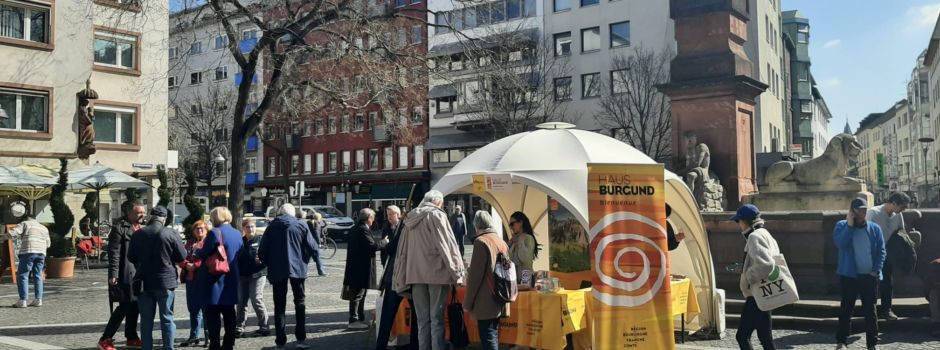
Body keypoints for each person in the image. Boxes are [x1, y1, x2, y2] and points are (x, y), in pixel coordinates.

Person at [393, 190, 466, 350]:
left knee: (422, 320)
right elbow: (446, 245)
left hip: (415, 274)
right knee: (436, 318)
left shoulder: (410, 218)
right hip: (437, 273)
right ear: (438, 202)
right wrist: (457, 272)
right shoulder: (437, 215)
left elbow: (402, 251)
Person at [259, 203, 318, 349]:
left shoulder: (271, 227)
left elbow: (262, 251)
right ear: (293, 214)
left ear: (280, 213)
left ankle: (280, 341)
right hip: (297, 269)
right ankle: (300, 338)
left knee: (279, 305)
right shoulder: (301, 225)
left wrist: (270, 264)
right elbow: (313, 247)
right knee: (300, 302)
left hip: (277, 270)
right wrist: (305, 260)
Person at [128, 206, 186, 350]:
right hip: (165, 282)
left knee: (146, 321)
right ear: (164, 219)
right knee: (167, 318)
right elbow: (182, 256)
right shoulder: (171, 233)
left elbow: (131, 257)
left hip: (144, 282)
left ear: (151, 216)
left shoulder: (138, 234)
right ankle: (168, 347)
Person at [834, 198, 886, 350]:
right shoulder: (841, 226)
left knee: (870, 311)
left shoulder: (875, 228)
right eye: (858, 209)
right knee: (846, 310)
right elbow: (841, 244)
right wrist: (849, 226)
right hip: (849, 276)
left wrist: (876, 270)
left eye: (864, 209)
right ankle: (841, 341)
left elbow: (881, 251)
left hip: (869, 277)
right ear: (852, 211)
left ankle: (872, 344)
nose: (862, 212)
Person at [97, 203, 145, 350]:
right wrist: (113, 274)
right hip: (126, 272)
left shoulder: (143, 228)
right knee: (124, 306)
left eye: (143, 212)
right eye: (138, 213)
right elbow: (114, 253)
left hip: (140, 273)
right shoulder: (119, 228)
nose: (142, 215)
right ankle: (105, 339)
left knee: (135, 305)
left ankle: (131, 336)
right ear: (129, 213)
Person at [731, 204, 778, 350]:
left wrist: (747, 276)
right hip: (766, 290)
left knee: (742, 336)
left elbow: (766, 264)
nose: (738, 225)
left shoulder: (754, 236)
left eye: (738, 221)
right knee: (765, 338)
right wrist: (745, 267)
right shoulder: (765, 233)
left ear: (744, 221)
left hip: (756, 293)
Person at [196, 207, 244, 350]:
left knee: (213, 315)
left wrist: (197, 249)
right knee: (230, 313)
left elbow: (203, 253)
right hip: (231, 278)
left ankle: (215, 345)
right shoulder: (237, 233)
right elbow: (241, 254)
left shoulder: (215, 233)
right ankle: (229, 344)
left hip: (215, 279)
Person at [464, 211, 510, 350]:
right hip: (501, 294)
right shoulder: (500, 241)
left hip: (486, 297)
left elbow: (475, 277)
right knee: (493, 333)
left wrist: (467, 303)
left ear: (476, 225)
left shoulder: (481, 242)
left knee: (488, 335)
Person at [375, 205, 418, 350]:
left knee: (389, 314)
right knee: (415, 315)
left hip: (398, 275)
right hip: (410, 276)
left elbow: (390, 249)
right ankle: (414, 344)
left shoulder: (403, 230)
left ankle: (382, 345)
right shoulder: (414, 230)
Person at [865, 191, 909, 321]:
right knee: (870, 284)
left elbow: (901, 232)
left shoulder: (898, 215)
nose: (904, 210)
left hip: (887, 253)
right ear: (893, 203)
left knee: (887, 282)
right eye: (902, 206)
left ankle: (886, 310)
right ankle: (870, 312)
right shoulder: (873, 212)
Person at [344, 208, 387, 329]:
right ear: (369, 218)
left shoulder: (356, 228)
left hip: (356, 266)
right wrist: (384, 242)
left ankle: (359, 318)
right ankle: (354, 320)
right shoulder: (362, 229)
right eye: (373, 218)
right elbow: (372, 247)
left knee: (360, 294)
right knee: (357, 294)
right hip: (360, 267)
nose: (373, 220)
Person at [1, 208, 51, 309]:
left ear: (26, 218)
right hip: (41, 253)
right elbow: (48, 244)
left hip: (28, 251)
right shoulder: (44, 228)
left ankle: (23, 300)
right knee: (38, 275)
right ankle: (38, 299)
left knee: (23, 275)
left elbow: (12, 233)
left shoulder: (25, 223)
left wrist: (2, 238)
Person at [235, 219, 270, 338]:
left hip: (258, 274)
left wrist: (263, 260)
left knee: (256, 299)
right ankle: (239, 326)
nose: (251, 229)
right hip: (242, 275)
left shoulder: (260, 240)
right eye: (248, 227)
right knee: (241, 301)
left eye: (252, 227)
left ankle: (264, 326)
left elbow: (268, 255)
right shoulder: (239, 242)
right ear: (243, 229)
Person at [179, 220, 209, 347]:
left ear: (206, 230)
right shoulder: (189, 243)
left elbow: (209, 259)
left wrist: (195, 265)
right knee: (193, 309)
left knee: (206, 310)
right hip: (190, 281)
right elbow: (180, 257)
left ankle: (209, 336)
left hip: (204, 281)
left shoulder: (208, 243)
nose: (199, 230)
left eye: (202, 228)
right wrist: (186, 265)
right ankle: (194, 335)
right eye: (197, 228)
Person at [306, 213, 327, 277]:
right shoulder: (317, 224)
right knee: (318, 257)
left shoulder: (308, 223)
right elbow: (317, 234)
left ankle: (304, 272)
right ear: (319, 218)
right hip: (314, 244)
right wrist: (319, 243)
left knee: (307, 259)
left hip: (308, 242)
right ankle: (321, 272)